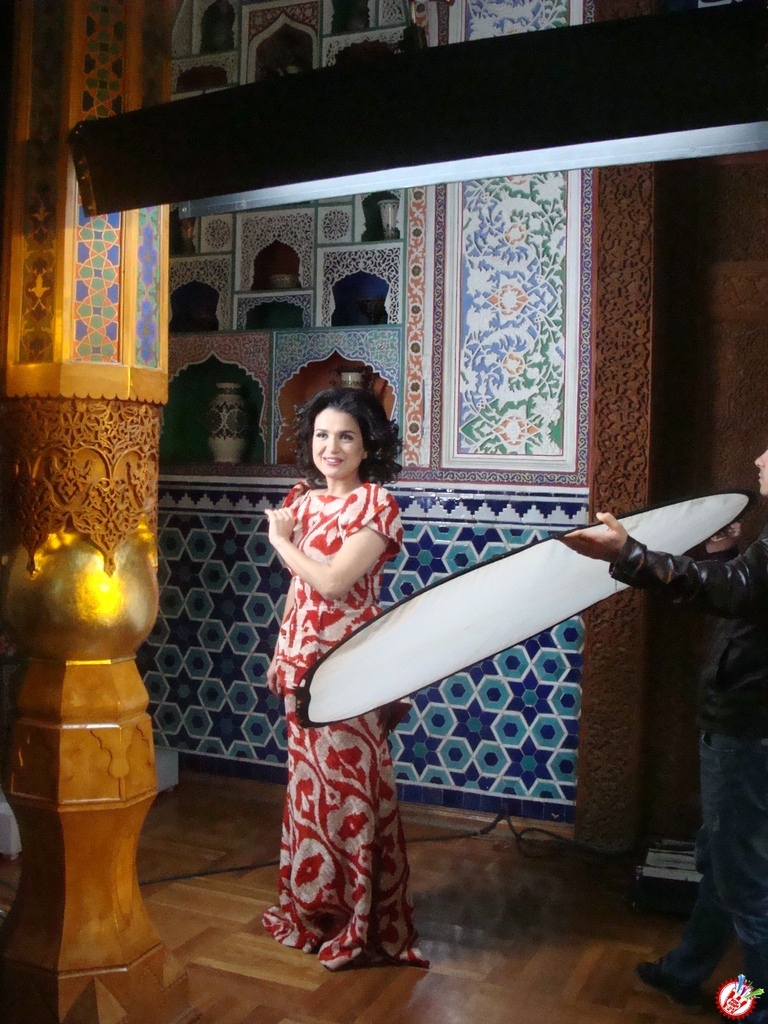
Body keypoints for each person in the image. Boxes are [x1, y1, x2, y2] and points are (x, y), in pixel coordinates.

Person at [562, 446, 768, 1020]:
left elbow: (737, 590)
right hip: (745, 728)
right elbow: (749, 596)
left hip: (749, 733)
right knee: (724, 861)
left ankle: (758, 1006)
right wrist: (724, 556)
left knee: (746, 882)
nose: (759, 457)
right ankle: (685, 972)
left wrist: (627, 553)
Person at [261, 386, 428, 971]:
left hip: (351, 663)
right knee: (309, 790)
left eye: (345, 437)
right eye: (321, 435)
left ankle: (360, 921)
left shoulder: (377, 504)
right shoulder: (300, 501)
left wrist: (280, 541)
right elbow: (299, 589)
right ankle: (313, 911)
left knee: (353, 788)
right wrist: (280, 649)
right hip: (301, 663)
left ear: (367, 445)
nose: (330, 447)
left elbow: (332, 583)